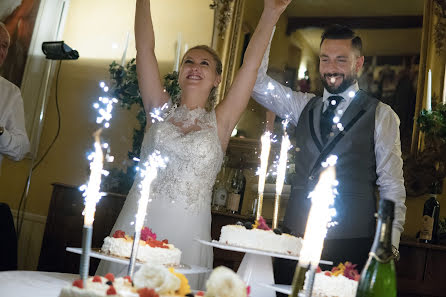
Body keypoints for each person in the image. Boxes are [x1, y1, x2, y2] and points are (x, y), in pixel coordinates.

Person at [97, 0, 291, 289]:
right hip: (138, 223)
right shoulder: (158, 110)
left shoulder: (220, 122)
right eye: (189, 61)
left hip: (189, 232)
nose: (195, 67)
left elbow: (250, 68)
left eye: (205, 64)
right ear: (180, 70)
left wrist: (271, 13)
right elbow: (145, 49)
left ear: (217, 79)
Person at [252, 24, 406, 292]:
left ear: (358, 63)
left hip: (351, 242)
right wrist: (271, 18)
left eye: (341, 59)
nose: (331, 67)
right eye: (325, 59)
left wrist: (388, 244)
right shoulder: (302, 106)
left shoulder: (382, 115)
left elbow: (392, 185)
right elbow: (255, 82)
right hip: (295, 238)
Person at [0, 22, 30, 172]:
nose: (1, 51)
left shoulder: (11, 93)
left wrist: (0, 132)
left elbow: (21, 149)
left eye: (4, 46)